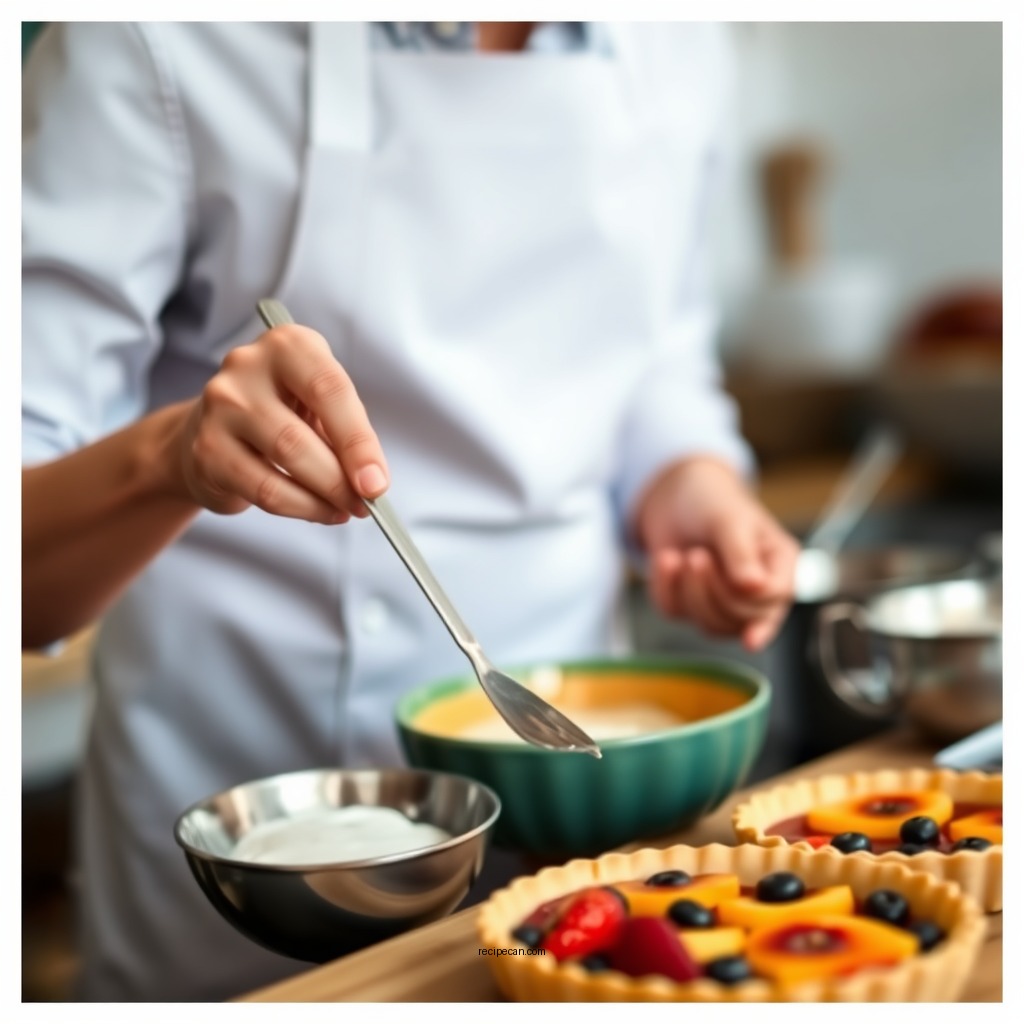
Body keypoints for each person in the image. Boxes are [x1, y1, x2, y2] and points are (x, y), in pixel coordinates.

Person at [22, 21, 799, 1001]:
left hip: (566, 810)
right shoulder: (150, 37)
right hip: (245, 822)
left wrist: (688, 477)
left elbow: (657, 353)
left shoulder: (679, 42)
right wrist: (172, 457)